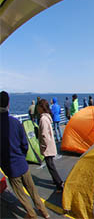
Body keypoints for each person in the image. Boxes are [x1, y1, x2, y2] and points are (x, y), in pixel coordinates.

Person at [0, 91, 50, 219]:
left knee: (21, 194)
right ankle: (44, 212)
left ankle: (32, 215)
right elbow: (24, 144)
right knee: (33, 190)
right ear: (8, 104)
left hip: (10, 167)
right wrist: (22, 156)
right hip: (23, 164)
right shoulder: (15, 122)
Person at [37, 99, 64, 193]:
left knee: (51, 166)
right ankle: (55, 181)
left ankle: (59, 184)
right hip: (50, 145)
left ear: (41, 107)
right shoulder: (47, 117)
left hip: (47, 146)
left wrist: (43, 146)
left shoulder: (43, 119)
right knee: (50, 164)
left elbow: (44, 134)